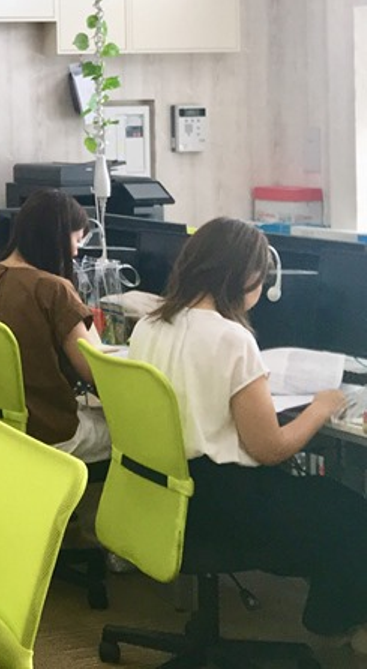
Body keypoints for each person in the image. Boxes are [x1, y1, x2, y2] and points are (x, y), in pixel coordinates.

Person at [131, 218, 367, 645]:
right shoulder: (231, 339)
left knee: (327, 503)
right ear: (246, 277)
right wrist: (321, 407)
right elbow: (270, 449)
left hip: (162, 494)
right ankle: (330, 623)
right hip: (223, 506)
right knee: (351, 513)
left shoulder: (149, 325)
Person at [0, 189, 109, 462]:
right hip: (45, 431)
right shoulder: (54, 290)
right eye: (75, 240)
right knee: (132, 435)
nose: (76, 251)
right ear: (57, 237)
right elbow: (95, 371)